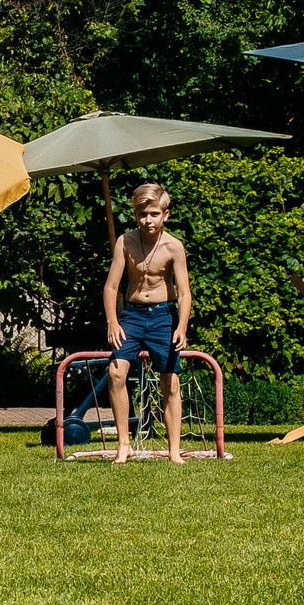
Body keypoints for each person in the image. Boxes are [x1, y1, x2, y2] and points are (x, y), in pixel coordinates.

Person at [99, 181, 193, 464]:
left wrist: (182, 326)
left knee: (170, 383)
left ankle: (174, 450)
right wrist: (112, 322)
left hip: (163, 316)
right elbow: (111, 287)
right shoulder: (125, 242)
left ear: (165, 214)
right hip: (133, 315)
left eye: (153, 214)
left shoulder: (174, 246)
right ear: (135, 214)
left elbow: (185, 292)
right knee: (116, 373)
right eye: (142, 214)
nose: (147, 220)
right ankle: (124, 444)